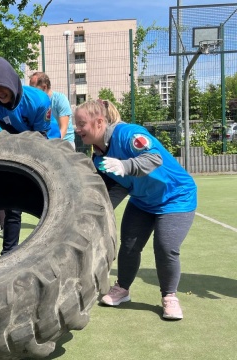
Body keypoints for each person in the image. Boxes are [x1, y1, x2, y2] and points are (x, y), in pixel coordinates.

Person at [74, 99, 197, 320]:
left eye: (81, 123)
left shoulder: (129, 134)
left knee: (165, 247)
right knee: (129, 245)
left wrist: (126, 165)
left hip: (177, 197)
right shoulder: (98, 155)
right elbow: (115, 188)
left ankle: (169, 296)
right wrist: (95, 214)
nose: (77, 128)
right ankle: (122, 288)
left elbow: (154, 158)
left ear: (99, 122)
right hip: (142, 201)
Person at [0, 56, 61, 255]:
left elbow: (40, 136)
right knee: (13, 204)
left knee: (54, 200)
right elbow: (13, 133)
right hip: (23, 146)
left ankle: (56, 249)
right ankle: (8, 252)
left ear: (11, 82)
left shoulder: (39, 101)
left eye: (1, 86)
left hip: (49, 145)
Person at [29, 71, 75, 149]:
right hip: (47, 143)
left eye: (34, 89)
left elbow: (63, 128)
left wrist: (52, 147)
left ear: (44, 87)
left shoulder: (60, 99)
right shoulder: (36, 103)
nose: (32, 92)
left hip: (65, 143)